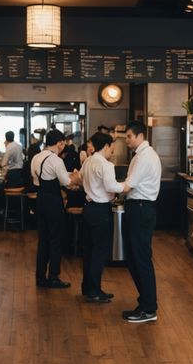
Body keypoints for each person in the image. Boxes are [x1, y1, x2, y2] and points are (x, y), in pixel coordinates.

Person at [120, 121, 162, 323]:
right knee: (135, 257)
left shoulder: (144, 157)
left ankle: (148, 308)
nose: (126, 140)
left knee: (140, 258)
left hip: (140, 209)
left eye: (128, 136)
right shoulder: (143, 155)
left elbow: (129, 185)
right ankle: (145, 303)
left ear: (139, 136)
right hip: (139, 208)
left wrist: (105, 186)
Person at [79, 132, 128, 304]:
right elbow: (111, 186)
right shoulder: (105, 165)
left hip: (88, 208)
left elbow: (79, 178)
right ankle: (94, 292)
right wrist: (127, 186)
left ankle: (87, 288)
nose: (112, 152)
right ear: (106, 146)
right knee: (100, 252)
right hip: (100, 210)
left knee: (89, 251)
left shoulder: (88, 161)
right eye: (112, 148)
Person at [30, 129, 81, 288]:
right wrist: (77, 178)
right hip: (53, 202)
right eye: (63, 143)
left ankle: (40, 276)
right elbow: (66, 182)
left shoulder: (36, 157)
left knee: (43, 240)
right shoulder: (55, 159)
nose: (63, 146)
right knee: (56, 239)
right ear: (59, 142)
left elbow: (37, 181)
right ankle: (53, 276)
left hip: (40, 200)